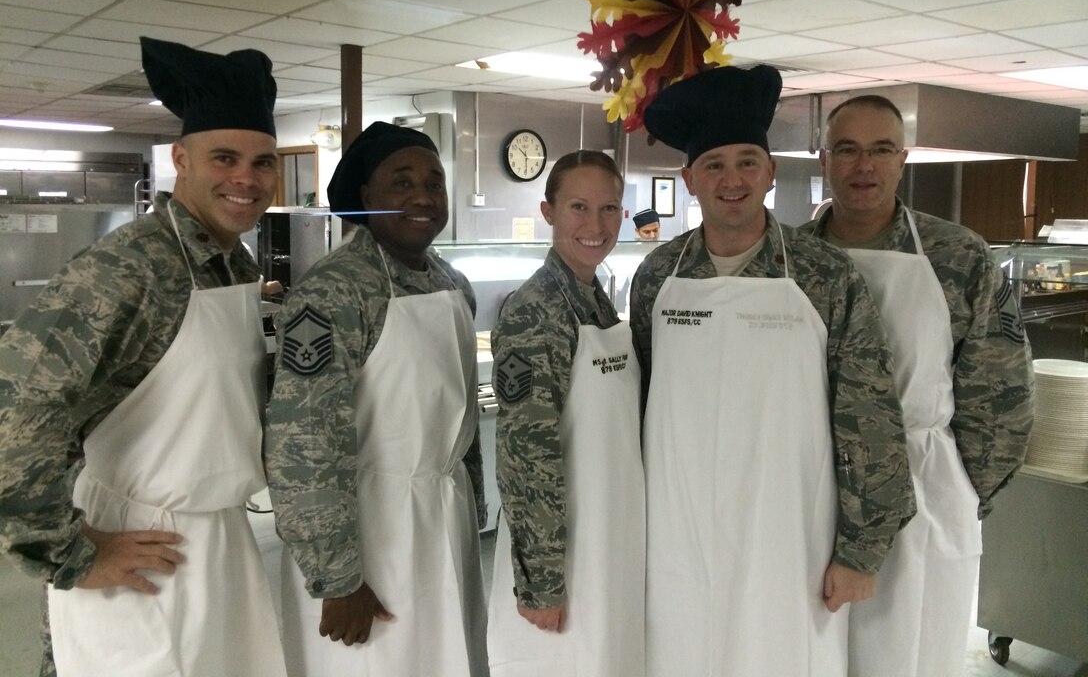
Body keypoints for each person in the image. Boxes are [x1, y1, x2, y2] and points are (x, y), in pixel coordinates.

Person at [0, 36, 288, 677]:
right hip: (138, 542)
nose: (247, 178)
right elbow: (16, 406)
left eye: (263, 162)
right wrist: (67, 550)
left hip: (217, 540)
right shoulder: (128, 266)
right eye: (225, 157)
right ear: (181, 160)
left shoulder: (230, 263)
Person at [629, 65, 917, 677]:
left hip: (789, 535)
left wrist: (861, 551)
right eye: (713, 165)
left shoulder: (823, 275)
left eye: (745, 161)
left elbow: (869, 417)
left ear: (770, 171)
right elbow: (642, 400)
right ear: (688, 179)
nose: (730, 179)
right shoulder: (656, 277)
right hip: (677, 534)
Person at [801, 94, 1035, 677]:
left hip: (920, 489)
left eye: (881, 150)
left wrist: (957, 490)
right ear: (823, 159)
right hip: (806, 482)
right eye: (848, 150)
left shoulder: (959, 257)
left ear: (902, 160)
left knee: (908, 657)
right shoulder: (790, 258)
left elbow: (1001, 397)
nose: (864, 166)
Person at [265, 121, 488, 677]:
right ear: (366, 197)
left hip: (443, 512)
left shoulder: (450, 282)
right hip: (368, 529)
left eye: (434, 183)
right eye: (402, 181)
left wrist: (475, 505)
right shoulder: (334, 291)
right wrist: (336, 577)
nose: (422, 196)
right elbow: (302, 444)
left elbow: (462, 424)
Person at [488, 150, 644, 677]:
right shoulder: (537, 311)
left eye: (609, 208)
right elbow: (525, 457)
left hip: (607, 534)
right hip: (562, 550)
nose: (595, 225)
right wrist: (541, 582)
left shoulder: (595, 301)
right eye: (578, 206)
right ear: (548, 211)